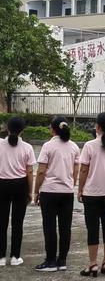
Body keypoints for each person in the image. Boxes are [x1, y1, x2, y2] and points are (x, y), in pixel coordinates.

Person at [33, 116, 80, 272]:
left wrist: (36, 190)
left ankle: (50, 261)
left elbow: (40, 172)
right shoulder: (73, 146)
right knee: (65, 227)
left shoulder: (48, 146)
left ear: (52, 129)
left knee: (49, 227)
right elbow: (76, 170)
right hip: (67, 192)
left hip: (49, 191)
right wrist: (70, 185)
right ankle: (62, 260)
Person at [78, 112, 105, 277]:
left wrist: (80, 189)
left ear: (97, 127)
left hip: (91, 194)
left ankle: (93, 264)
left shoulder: (89, 145)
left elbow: (84, 170)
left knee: (92, 228)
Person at [0, 116, 35, 267]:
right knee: (17, 222)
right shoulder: (27, 147)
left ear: (7, 128)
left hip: (2, 184)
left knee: (1, 222)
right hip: (20, 185)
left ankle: (1, 257)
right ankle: (15, 256)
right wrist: (30, 192)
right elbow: (29, 172)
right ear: (22, 130)